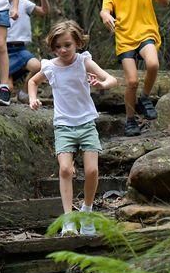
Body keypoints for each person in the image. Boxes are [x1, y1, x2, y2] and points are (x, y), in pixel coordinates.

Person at [27, 20, 117, 236]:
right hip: (64, 125)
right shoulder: (50, 67)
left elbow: (112, 79)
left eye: (67, 45)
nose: (63, 50)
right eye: (58, 46)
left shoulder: (84, 62)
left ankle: (86, 211)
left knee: (92, 170)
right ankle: (68, 220)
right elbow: (33, 82)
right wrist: (33, 99)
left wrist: (102, 85)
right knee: (66, 169)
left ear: (77, 42)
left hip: (86, 123)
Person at [99, 0, 170, 136]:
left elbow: (165, 0)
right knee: (131, 82)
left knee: (153, 64)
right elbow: (105, 9)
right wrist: (106, 16)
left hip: (146, 31)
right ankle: (130, 120)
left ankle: (145, 98)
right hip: (125, 37)